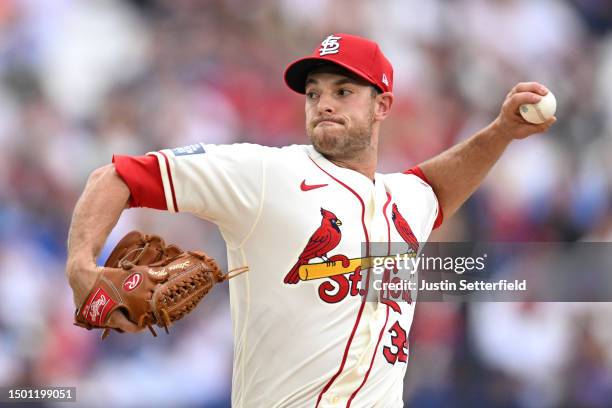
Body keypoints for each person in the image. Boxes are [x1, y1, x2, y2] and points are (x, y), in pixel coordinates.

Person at [65, 33, 555, 407]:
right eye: (314, 92)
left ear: (382, 105)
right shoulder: (264, 173)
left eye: (344, 91)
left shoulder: (406, 200)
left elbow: (437, 186)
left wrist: (501, 132)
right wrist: (80, 265)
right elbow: (116, 177)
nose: (323, 102)